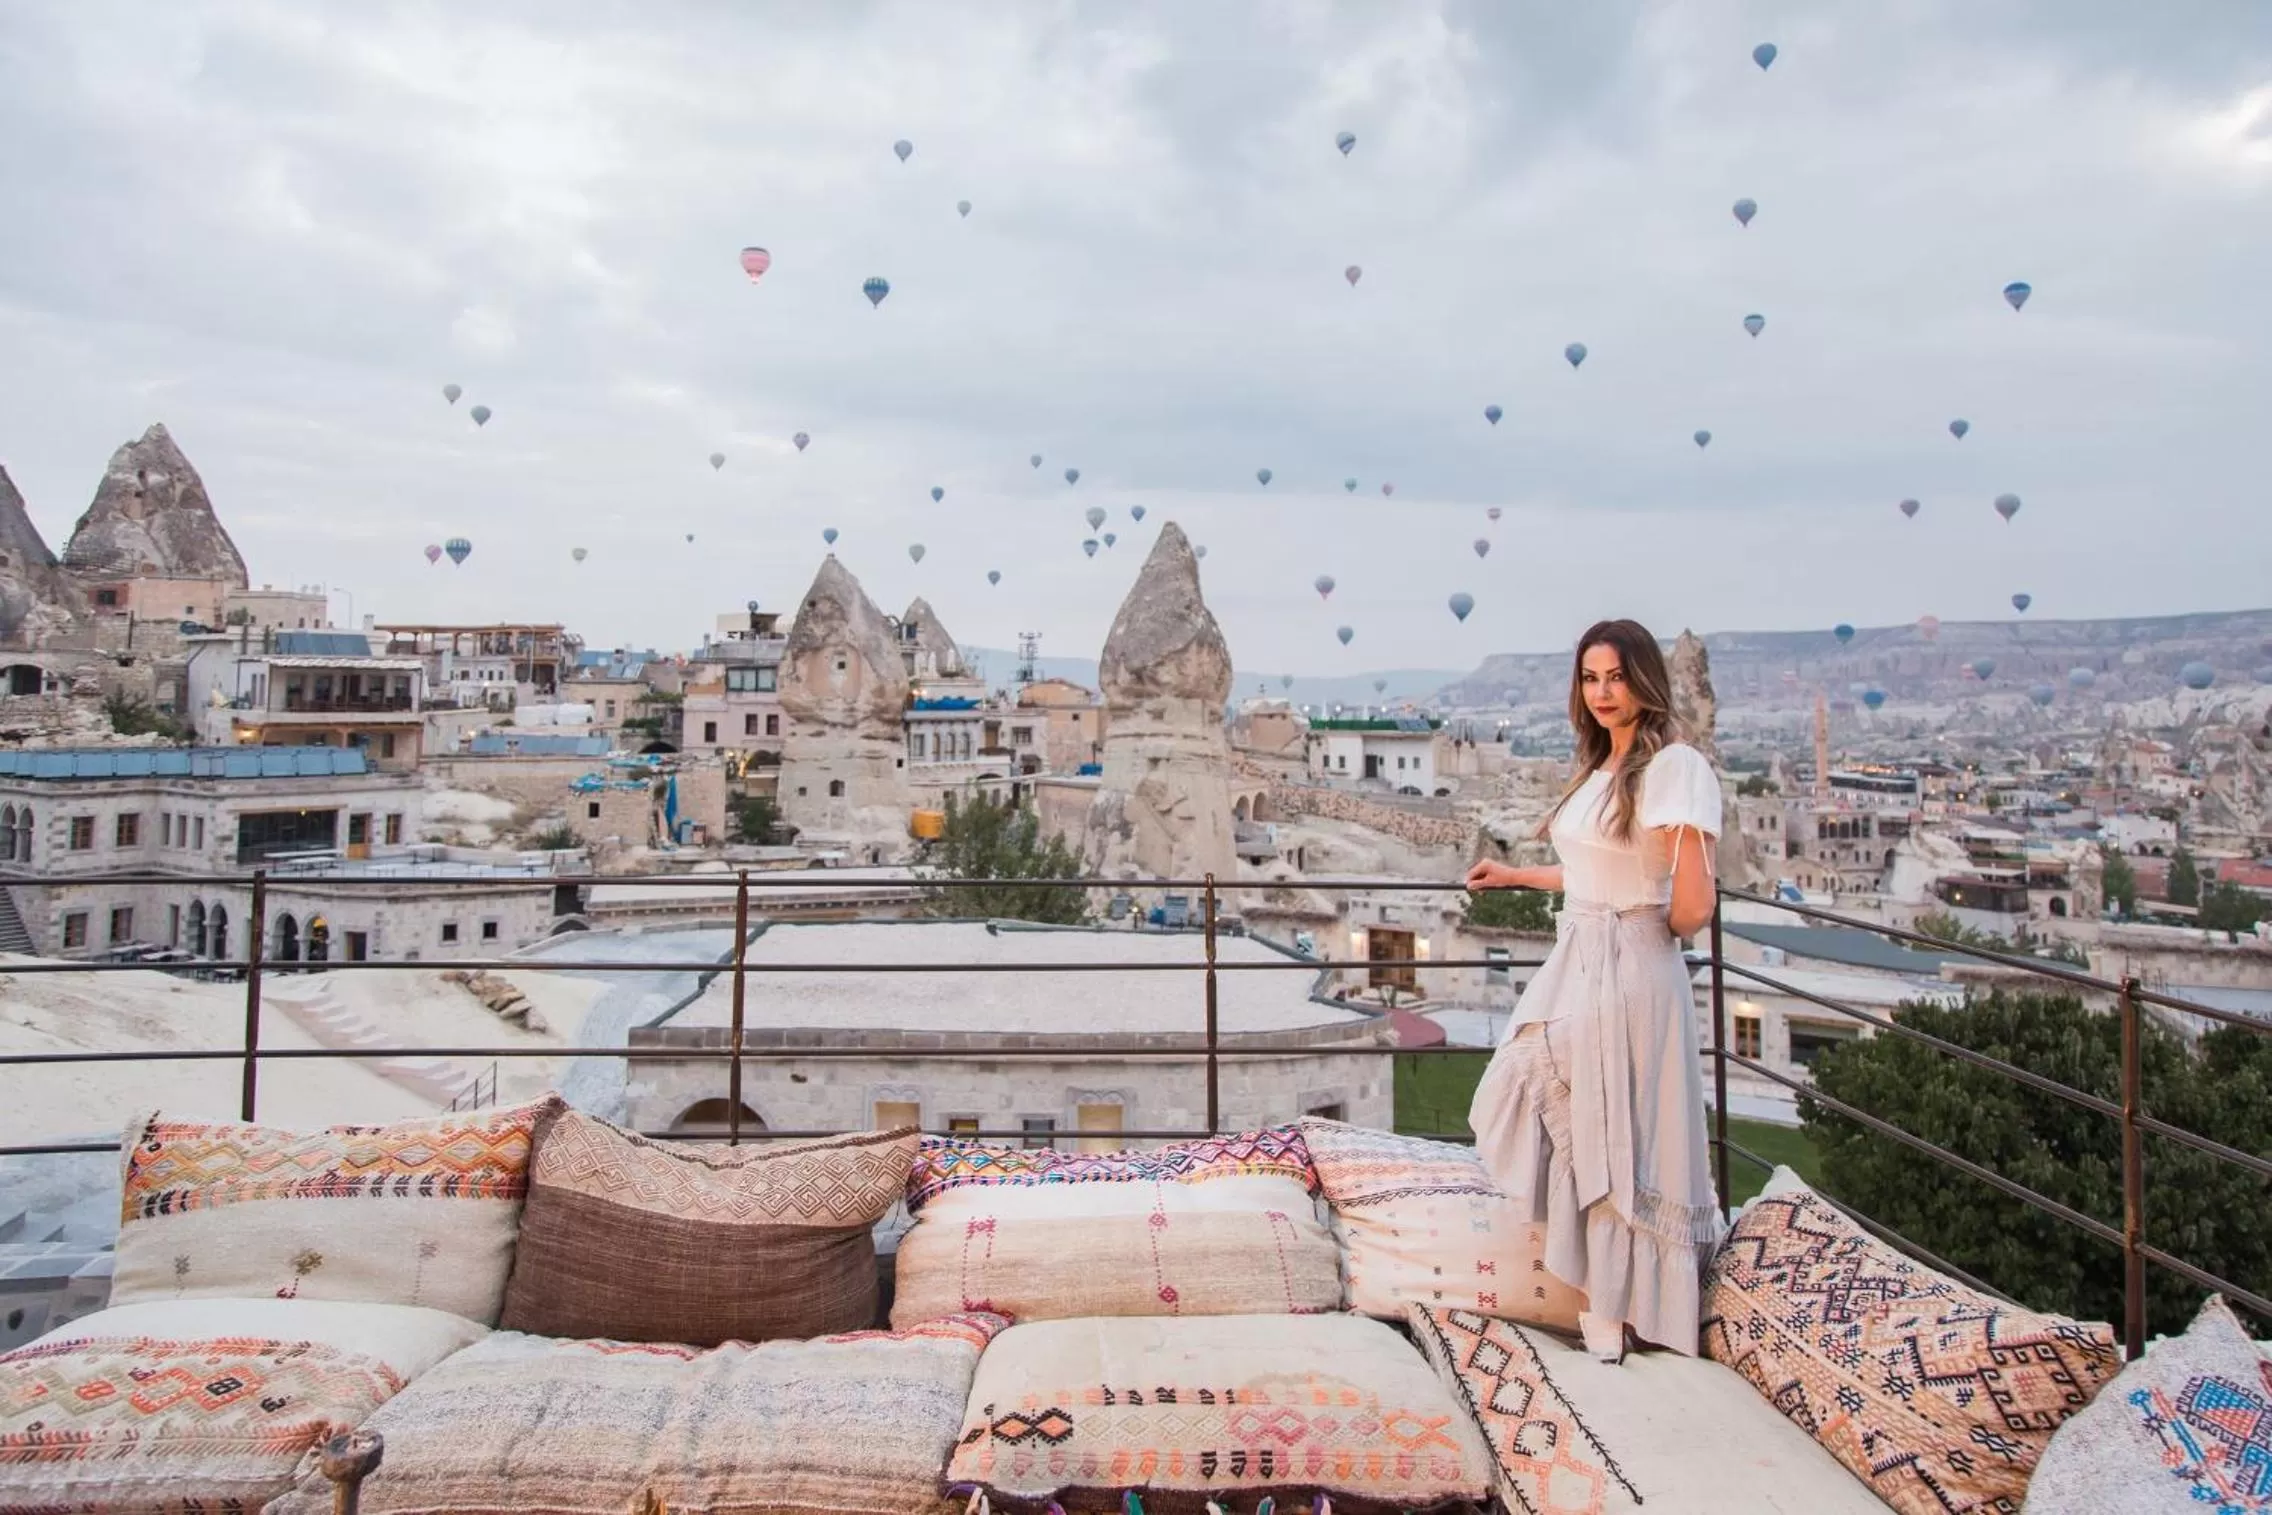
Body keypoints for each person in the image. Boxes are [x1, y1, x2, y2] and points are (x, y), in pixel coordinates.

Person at [1463, 618, 1725, 1363]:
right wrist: (1516, 876)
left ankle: (1613, 1312)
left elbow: (1693, 904)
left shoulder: (1674, 767)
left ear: (1643, 679)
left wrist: (1644, 934)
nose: (1603, 692)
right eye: (1590, 677)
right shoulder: (1598, 768)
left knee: (1617, 1126)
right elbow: (1592, 866)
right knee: (1551, 1094)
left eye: (1615, 676)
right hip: (1580, 951)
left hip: (1630, 961)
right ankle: (1606, 1297)